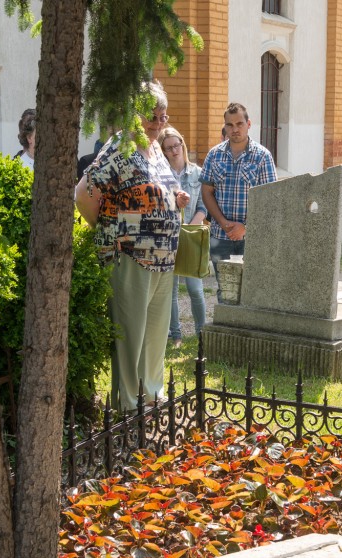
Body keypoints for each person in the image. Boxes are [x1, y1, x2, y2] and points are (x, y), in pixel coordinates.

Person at [74, 82, 190, 412]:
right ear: (134, 114)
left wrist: (176, 199)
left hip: (163, 256)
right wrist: (109, 229)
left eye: (163, 117)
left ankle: (151, 394)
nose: (158, 124)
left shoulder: (156, 150)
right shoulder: (121, 146)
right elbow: (83, 194)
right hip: (129, 254)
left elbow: (160, 189)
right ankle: (128, 404)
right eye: (152, 117)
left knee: (155, 333)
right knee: (130, 334)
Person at [200, 102, 277, 301]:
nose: (235, 129)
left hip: (251, 239)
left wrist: (245, 228)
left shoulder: (263, 157)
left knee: (252, 290)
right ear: (225, 126)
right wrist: (223, 223)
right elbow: (207, 192)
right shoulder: (214, 155)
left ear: (248, 124)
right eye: (230, 125)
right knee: (226, 290)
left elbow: (270, 200)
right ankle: (226, 322)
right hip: (220, 236)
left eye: (239, 124)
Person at [159, 127, 208, 348]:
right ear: (163, 151)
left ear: (182, 144)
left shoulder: (197, 173)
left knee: (195, 289)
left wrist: (190, 227)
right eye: (168, 148)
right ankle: (176, 335)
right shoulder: (161, 175)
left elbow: (203, 206)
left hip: (190, 236)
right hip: (167, 237)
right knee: (170, 292)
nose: (174, 150)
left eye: (176, 145)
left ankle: (201, 334)